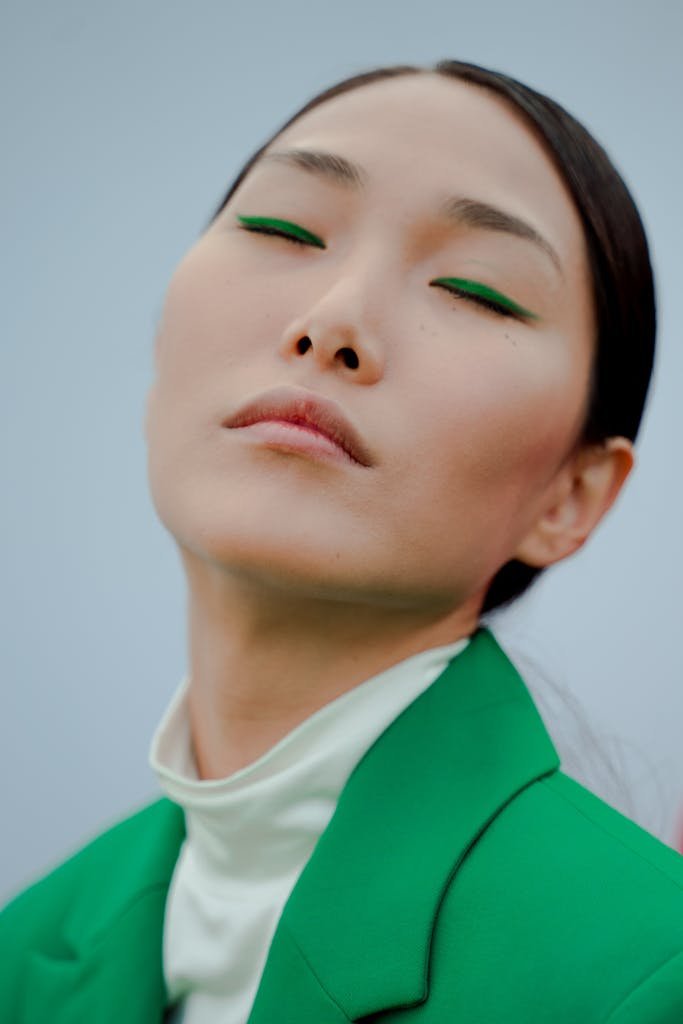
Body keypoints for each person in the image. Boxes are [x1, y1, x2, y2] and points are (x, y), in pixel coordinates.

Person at [2, 58, 682, 1023]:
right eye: (283, 229)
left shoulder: (644, 972)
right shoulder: (20, 956)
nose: (332, 323)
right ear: (159, 366)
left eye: (477, 290)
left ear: (571, 497)